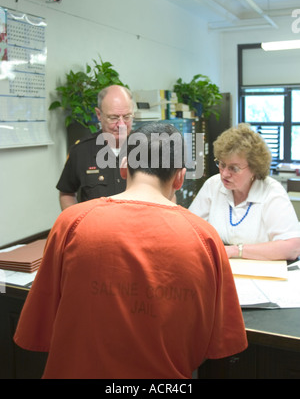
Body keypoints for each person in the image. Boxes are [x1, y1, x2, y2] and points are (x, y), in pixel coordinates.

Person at [14, 122, 247, 379]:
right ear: (180, 177)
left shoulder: (71, 222)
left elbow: (39, 326)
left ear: (124, 167)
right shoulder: (204, 237)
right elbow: (217, 344)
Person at [189, 123, 300, 261]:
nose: (224, 174)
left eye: (233, 168)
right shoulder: (213, 185)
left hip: (260, 273)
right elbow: (189, 229)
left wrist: (236, 250)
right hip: (221, 269)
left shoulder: (272, 192)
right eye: (222, 164)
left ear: (254, 168)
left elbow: (292, 247)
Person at [56, 84, 135, 210]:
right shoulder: (81, 151)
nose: (121, 125)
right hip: (96, 228)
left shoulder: (148, 148)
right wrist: (77, 223)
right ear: (99, 115)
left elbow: (168, 194)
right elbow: (67, 193)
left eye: (127, 117)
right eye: (113, 118)